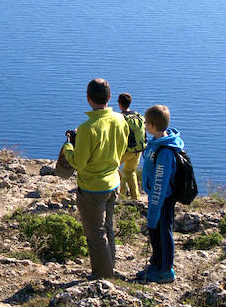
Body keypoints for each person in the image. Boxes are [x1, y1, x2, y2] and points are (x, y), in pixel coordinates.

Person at [62, 78, 129, 279]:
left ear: (88, 98)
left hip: (92, 188)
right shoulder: (120, 120)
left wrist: (68, 147)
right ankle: (110, 267)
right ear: (109, 97)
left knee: (96, 234)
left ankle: (102, 277)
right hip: (113, 182)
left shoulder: (87, 128)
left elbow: (79, 163)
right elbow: (123, 149)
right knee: (108, 228)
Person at [139, 105, 183, 283]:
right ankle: (156, 263)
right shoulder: (157, 143)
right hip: (157, 196)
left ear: (152, 126)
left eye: (146, 123)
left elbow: (160, 182)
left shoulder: (165, 152)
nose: (144, 125)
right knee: (156, 231)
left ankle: (166, 270)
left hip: (163, 198)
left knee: (164, 232)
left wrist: (154, 207)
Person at [118, 92, 148, 201]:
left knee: (112, 168)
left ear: (119, 104)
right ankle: (136, 198)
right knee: (130, 172)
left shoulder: (121, 118)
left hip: (125, 151)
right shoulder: (139, 116)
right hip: (138, 150)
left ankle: (121, 195)